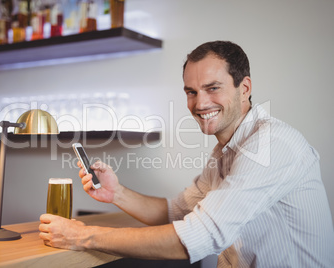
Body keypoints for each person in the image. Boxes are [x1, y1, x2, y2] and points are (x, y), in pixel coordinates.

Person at [39, 41, 334, 267]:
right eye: (191, 92)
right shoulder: (225, 152)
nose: (200, 103)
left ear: (244, 88)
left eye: (212, 88)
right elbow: (177, 212)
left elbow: (200, 236)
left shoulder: (272, 144)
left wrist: (82, 236)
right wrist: (117, 193)